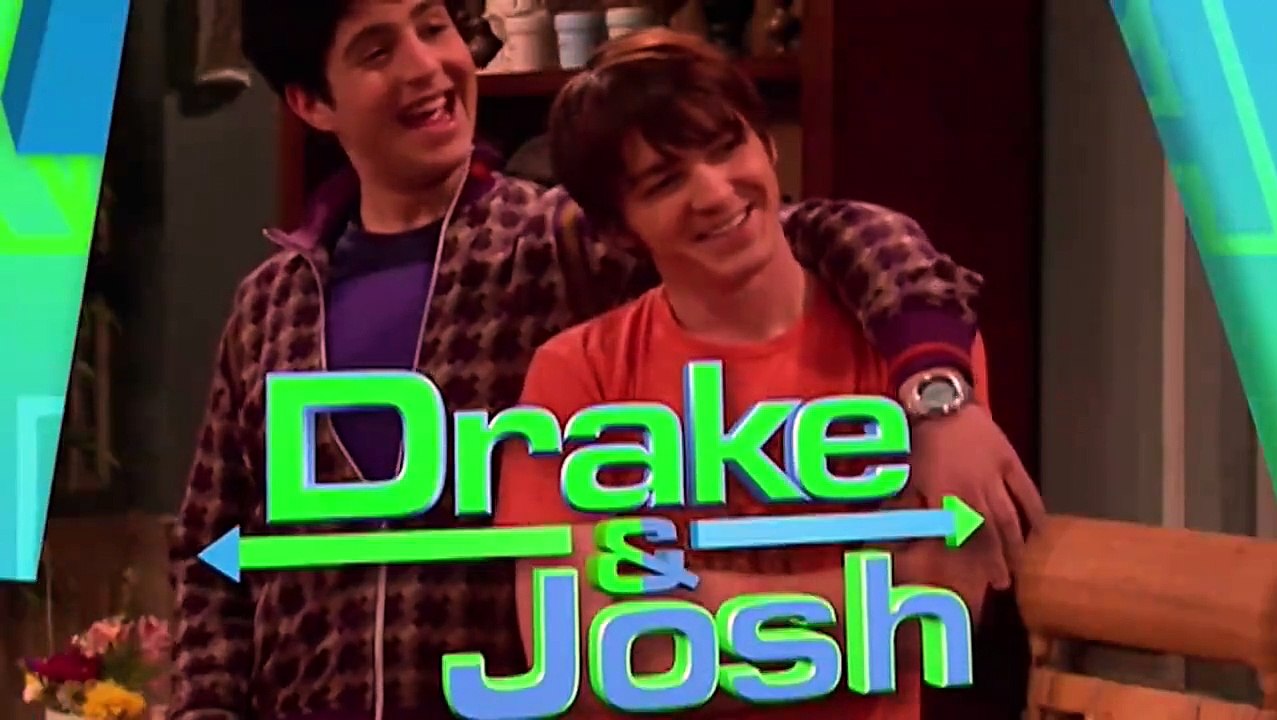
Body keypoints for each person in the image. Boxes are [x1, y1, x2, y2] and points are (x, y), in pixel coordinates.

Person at [168, 2, 1036, 719]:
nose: (426, 66)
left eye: (433, 27)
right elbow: (211, 546)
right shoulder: (271, 303)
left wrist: (937, 390)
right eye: (376, 51)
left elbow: (810, 231)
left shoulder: (556, 238)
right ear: (311, 103)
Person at [494, 29, 1041, 718]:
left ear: (769, 146)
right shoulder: (576, 373)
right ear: (618, 230)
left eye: (727, 148)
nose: (715, 191)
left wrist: (675, 609)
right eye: (665, 182)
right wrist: (858, 603)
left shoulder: (924, 364)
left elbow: (931, 614)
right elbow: (577, 656)